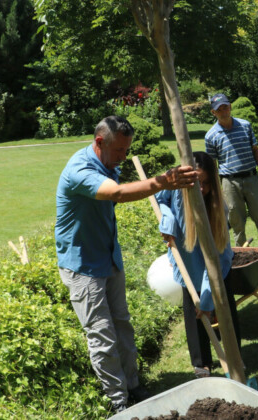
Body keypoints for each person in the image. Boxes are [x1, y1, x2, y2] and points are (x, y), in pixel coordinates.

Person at [55, 116, 197, 413]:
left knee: (122, 326)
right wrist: (162, 181)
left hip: (108, 257)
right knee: (102, 334)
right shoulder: (79, 170)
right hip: (82, 266)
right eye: (119, 150)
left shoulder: (108, 164)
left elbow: (117, 197)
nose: (122, 157)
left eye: (126, 150)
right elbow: (117, 193)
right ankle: (119, 403)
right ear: (98, 142)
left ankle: (133, 386)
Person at [155, 151, 240, 379]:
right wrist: (168, 220)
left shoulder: (216, 210)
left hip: (216, 271)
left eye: (205, 183)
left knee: (223, 311)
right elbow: (160, 200)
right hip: (188, 265)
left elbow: (216, 261)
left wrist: (206, 299)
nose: (200, 189)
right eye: (195, 183)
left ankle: (233, 359)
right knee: (194, 317)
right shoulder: (176, 189)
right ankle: (202, 365)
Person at [205, 93, 258, 247]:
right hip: (229, 182)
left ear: (230, 107)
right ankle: (243, 263)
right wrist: (215, 188)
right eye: (219, 109)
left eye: (226, 107)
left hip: (251, 178)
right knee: (237, 224)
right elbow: (212, 165)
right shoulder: (211, 136)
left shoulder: (245, 125)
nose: (224, 111)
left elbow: (255, 150)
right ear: (213, 112)